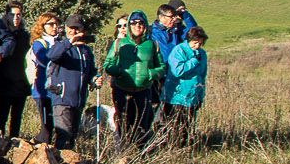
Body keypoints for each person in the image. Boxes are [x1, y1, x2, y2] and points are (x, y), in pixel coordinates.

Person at [37, 15, 97, 150]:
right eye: (71, 28)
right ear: (65, 28)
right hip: (62, 99)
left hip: (79, 100)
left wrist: (95, 78)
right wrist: (69, 42)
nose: (74, 31)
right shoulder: (61, 45)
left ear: (83, 29)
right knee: (63, 136)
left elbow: (91, 71)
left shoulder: (86, 51)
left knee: (72, 137)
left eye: (77, 28)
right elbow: (52, 56)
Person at [104, 10, 162, 147]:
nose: (137, 25)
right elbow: (108, 64)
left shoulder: (152, 45)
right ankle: (121, 156)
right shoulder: (120, 43)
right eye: (133, 23)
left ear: (145, 25)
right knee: (123, 123)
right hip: (122, 90)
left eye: (141, 23)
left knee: (142, 125)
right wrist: (119, 72)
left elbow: (161, 67)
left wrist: (150, 74)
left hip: (144, 90)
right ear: (129, 26)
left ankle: (140, 156)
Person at [161, 25, 209, 146]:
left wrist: (200, 95)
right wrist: (193, 61)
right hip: (176, 96)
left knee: (187, 127)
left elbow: (202, 75)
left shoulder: (202, 54)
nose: (197, 46)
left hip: (193, 96)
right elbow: (177, 71)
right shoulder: (179, 50)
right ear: (189, 40)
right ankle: (169, 148)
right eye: (195, 43)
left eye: (200, 43)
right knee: (173, 126)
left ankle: (183, 148)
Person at [0, 3, 32, 138]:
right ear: (7, 15)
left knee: (17, 116)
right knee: (2, 115)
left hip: (21, 80)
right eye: (12, 14)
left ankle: (15, 141)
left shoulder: (25, 36)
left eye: (19, 14)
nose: (16, 18)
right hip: (4, 80)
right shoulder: (0, 34)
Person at [24, 12, 63, 142]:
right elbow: (44, 60)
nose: (54, 27)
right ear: (42, 26)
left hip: (57, 91)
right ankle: (38, 150)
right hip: (42, 90)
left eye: (56, 24)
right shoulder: (39, 44)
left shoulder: (60, 42)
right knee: (47, 126)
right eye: (50, 24)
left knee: (57, 125)